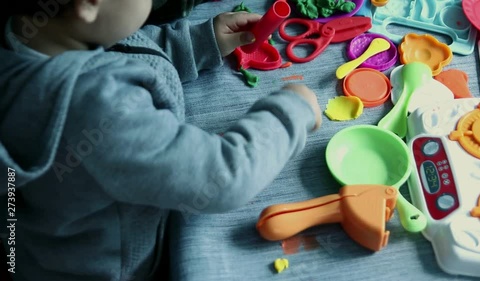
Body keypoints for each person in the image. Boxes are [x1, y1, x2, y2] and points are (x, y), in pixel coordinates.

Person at [0, 0, 322, 280]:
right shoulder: (94, 105)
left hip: (38, 245)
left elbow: (122, 48)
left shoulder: (34, 36)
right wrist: (291, 111)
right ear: (88, 3)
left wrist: (197, 42)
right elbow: (221, 176)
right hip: (107, 270)